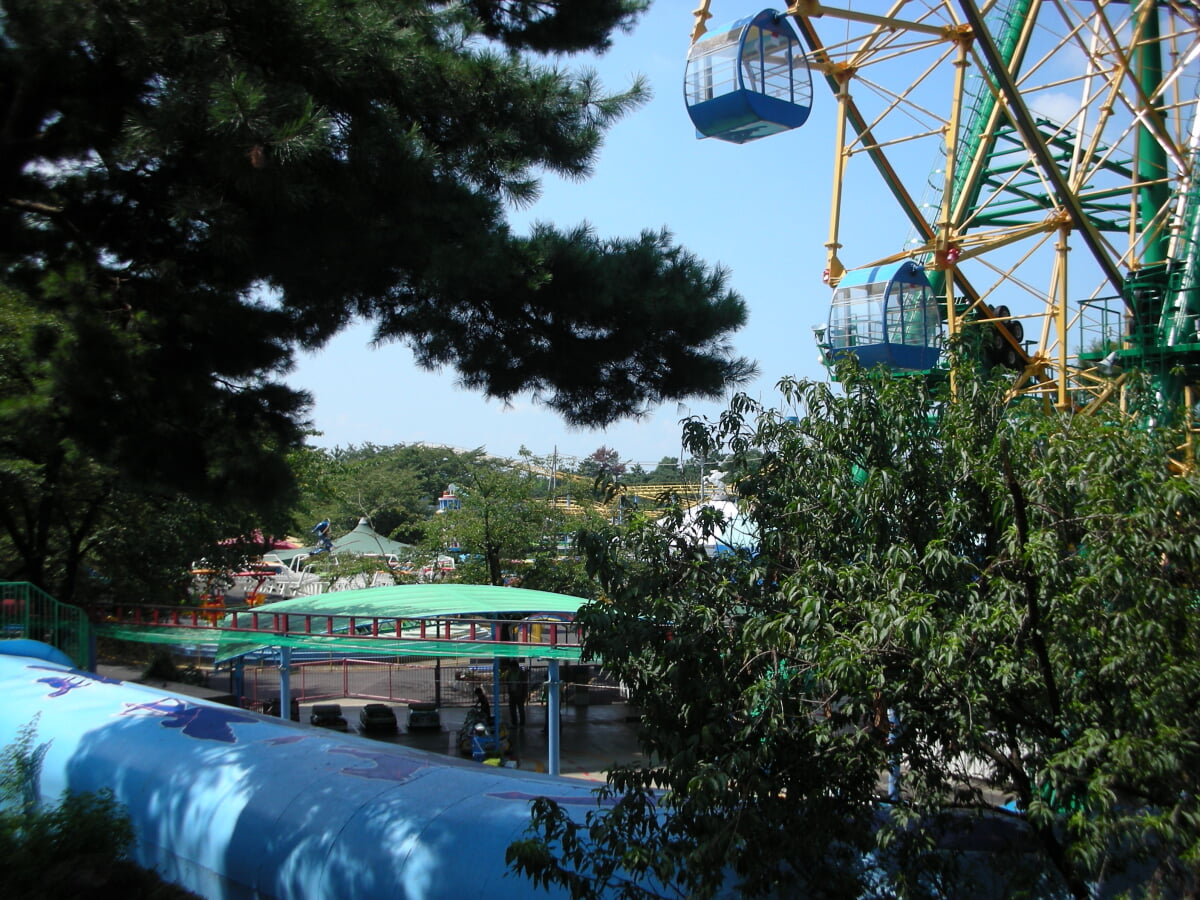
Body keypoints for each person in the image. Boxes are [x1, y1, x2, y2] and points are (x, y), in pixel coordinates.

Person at [502, 659, 528, 728]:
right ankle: (514, 723)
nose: (512, 669)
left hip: (520, 694)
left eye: (512, 667)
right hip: (512, 693)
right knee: (512, 709)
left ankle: (522, 723)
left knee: (521, 709)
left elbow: (525, 685)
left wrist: (525, 695)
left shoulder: (521, 673)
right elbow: (506, 681)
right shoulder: (510, 673)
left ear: (516, 667)